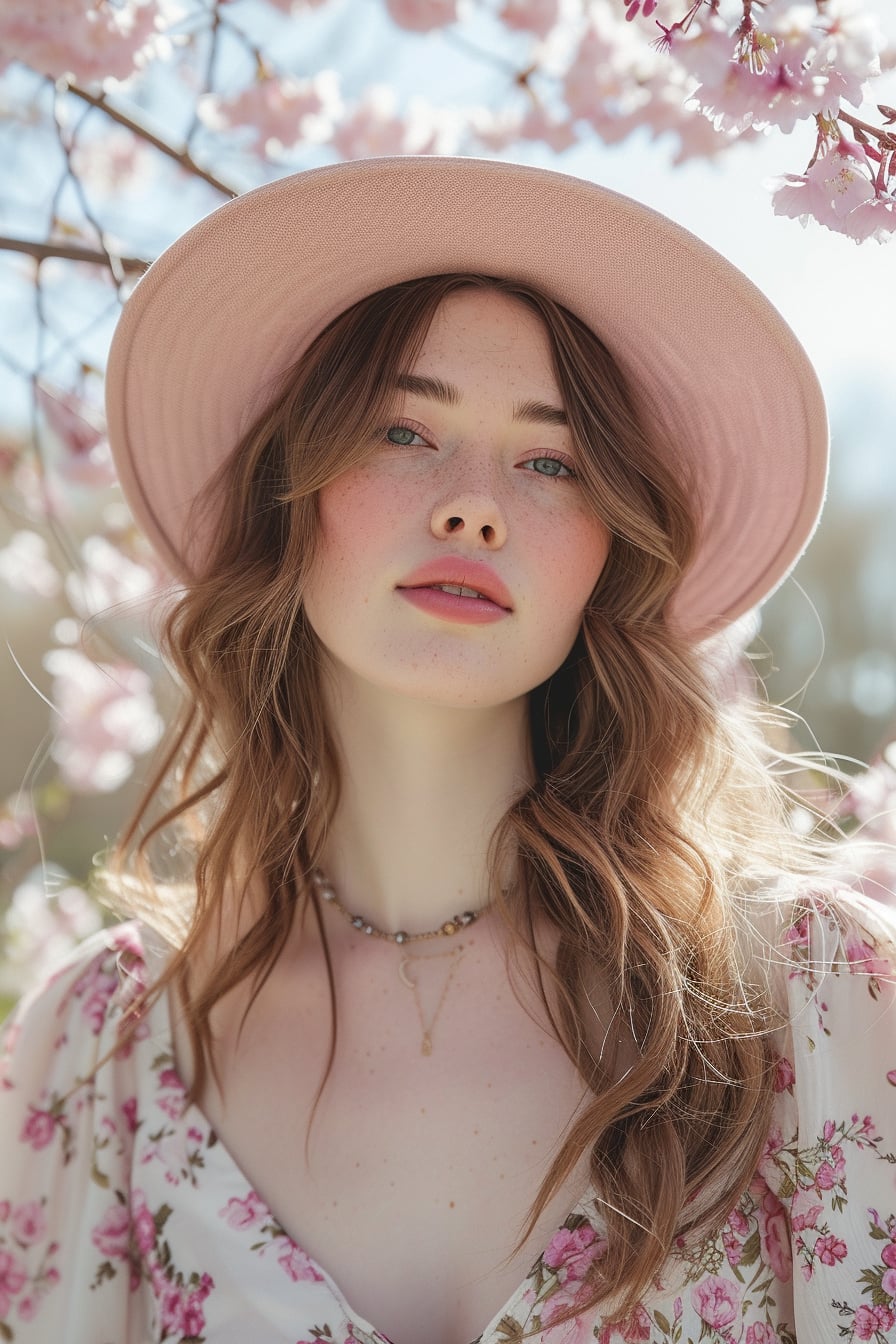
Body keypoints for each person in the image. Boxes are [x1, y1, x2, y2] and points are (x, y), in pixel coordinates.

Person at [1, 155, 894, 1344]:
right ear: (288, 493)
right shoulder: (103, 1047)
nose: (472, 507)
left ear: (607, 554)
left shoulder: (809, 995)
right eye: (404, 431)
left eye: (548, 461)